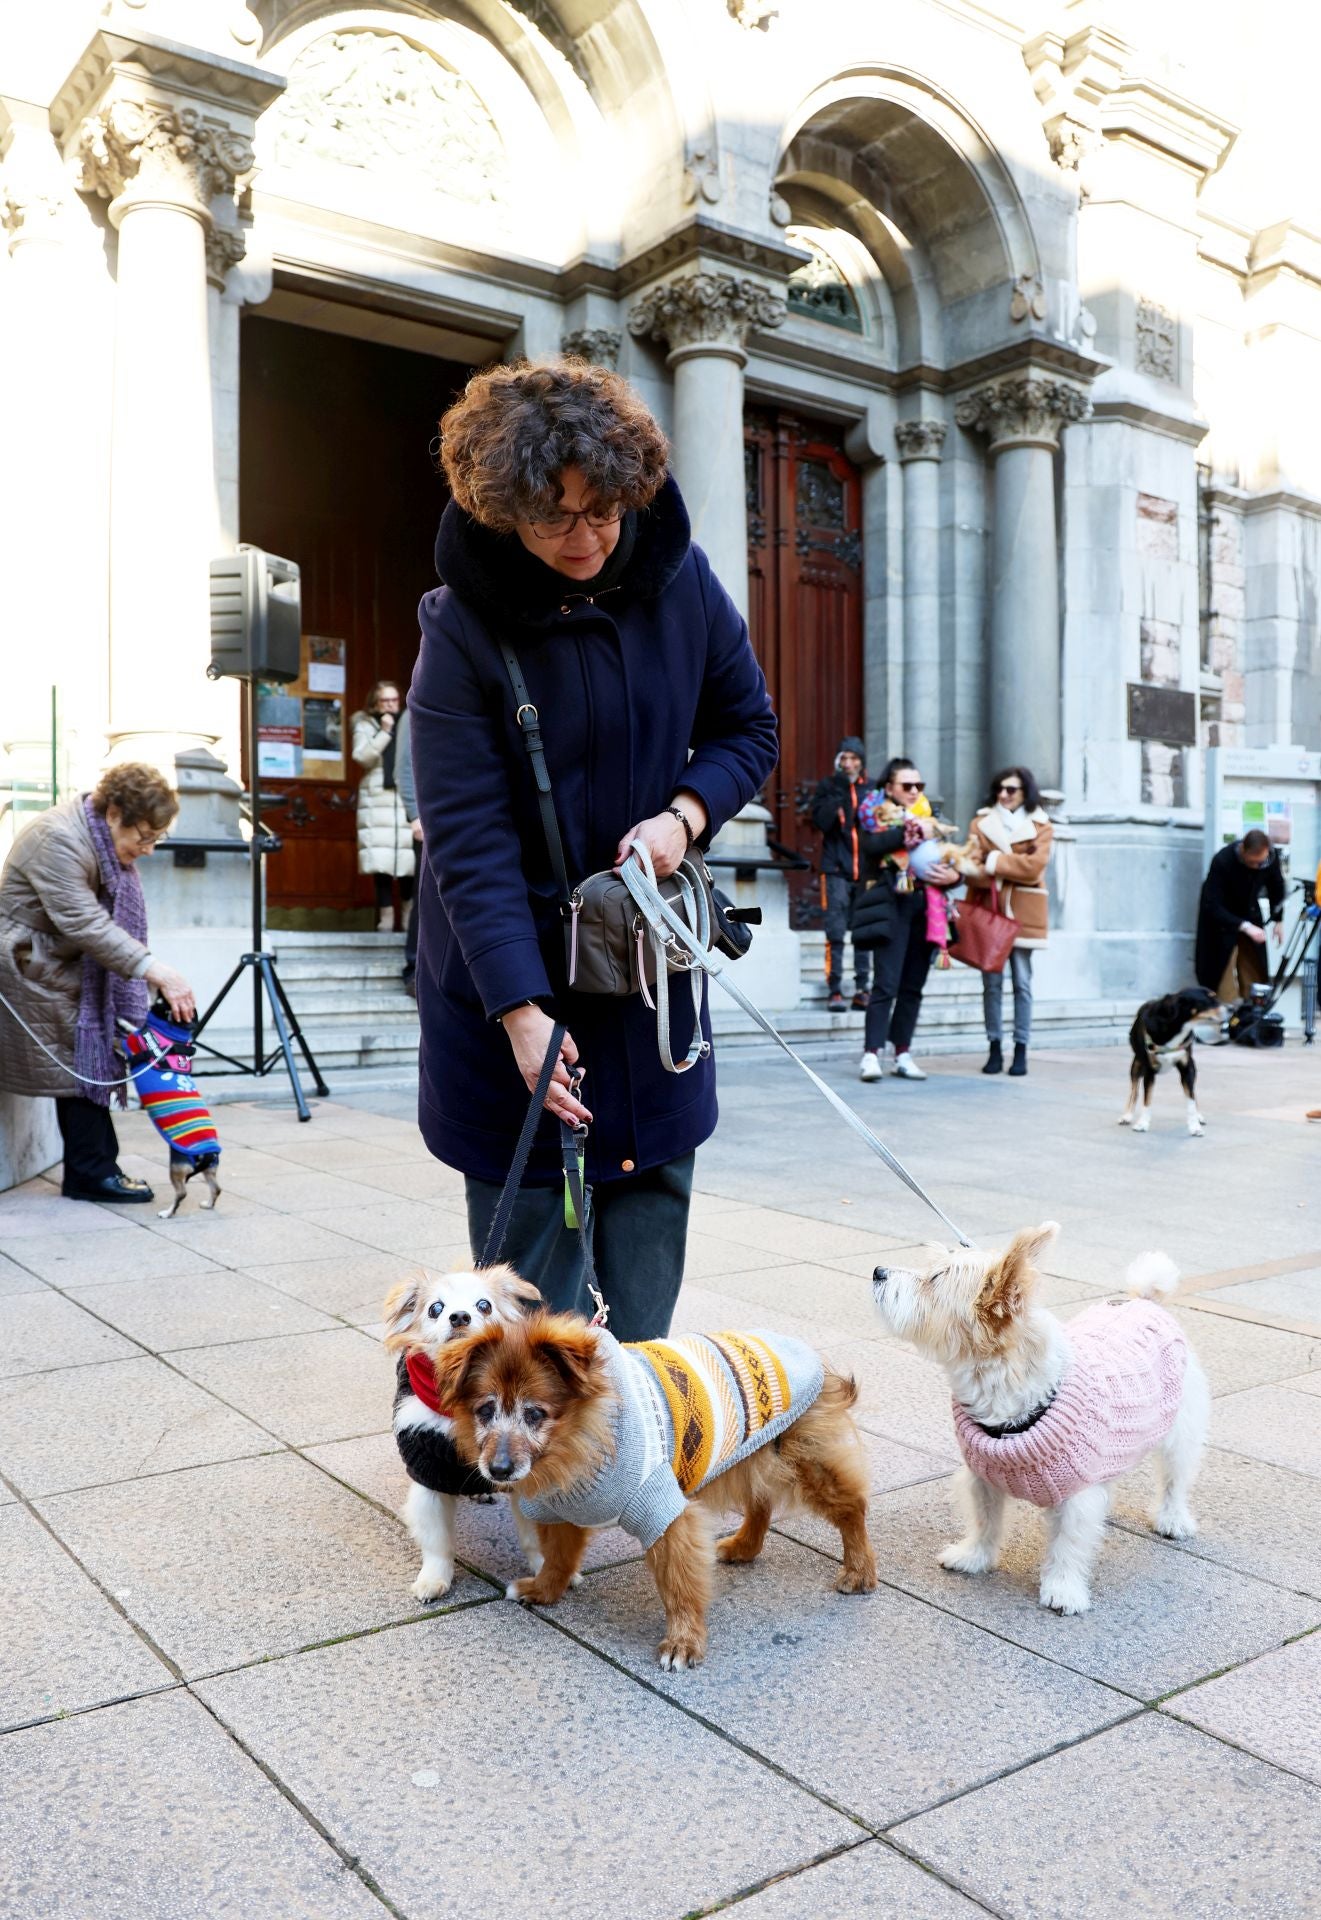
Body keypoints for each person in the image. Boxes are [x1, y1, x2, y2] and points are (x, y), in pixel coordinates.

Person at [409, 360, 778, 1341]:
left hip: (644, 976)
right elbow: (466, 837)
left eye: (604, 509)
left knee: (648, 1241)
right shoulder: (458, 628)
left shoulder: (682, 582)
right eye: (554, 517)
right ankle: (534, 1470)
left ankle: (636, 1441)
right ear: (502, 514)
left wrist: (684, 818)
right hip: (505, 979)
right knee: (532, 1298)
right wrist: (520, 1014)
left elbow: (750, 728)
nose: (587, 537)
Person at [0, 763, 196, 1202]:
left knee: (95, 1042)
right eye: (143, 836)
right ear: (112, 815)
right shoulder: (58, 839)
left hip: (63, 959)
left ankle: (95, 1167)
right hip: (29, 962)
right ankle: (90, 1173)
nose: (147, 850)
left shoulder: (101, 840)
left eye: (155, 839)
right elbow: (86, 923)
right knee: (81, 1049)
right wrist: (155, 969)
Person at [851, 756, 958, 1083]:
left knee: (913, 985)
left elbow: (950, 860)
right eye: (907, 785)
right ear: (889, 788)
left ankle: (902, 1053)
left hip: (927, 906)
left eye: (919, 785)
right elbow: (872, 846)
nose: (914, 791)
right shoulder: (874, 816)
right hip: (891, 905)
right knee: (886, 983)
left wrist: (952, 876)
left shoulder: (930, 816)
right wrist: (911, 831)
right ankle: (871, 1054)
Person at [957, 766, 1055, 1077]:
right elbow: (969, 865)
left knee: (1022, 983)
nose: (1003, 795)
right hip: (990, 910)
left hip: (1025, 911)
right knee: (992, 984)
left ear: (1025, 791)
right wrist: (1005, 865)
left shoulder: (1041, 824)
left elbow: (1034, 868)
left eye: (1011, 789)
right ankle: (995, 1047)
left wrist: (994, 861)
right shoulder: (981, 821)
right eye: (1000, 788)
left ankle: (1021, 1049)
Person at [810, 736, 873, 1011]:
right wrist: (838, 790)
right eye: (844, 758)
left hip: (865, 872)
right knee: (835, 931)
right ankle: (834, 990)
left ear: (862, 761)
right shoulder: (828, 787)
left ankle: (863, 989)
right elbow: (821, 822)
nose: (849, 763)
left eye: (854, 758)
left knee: (864, 931)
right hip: (835, 869)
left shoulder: (872, 790)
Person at [351, 680, 415, 933]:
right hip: (378, 799)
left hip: (403, 799)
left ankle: (410, 920)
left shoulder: (408, 723)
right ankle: (386, 919)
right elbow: (362, 757)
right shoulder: (365, 724)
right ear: (375, 704)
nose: (390, 705)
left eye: (394, 700)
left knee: (408, 860)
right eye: (384, 701)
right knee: (382, 862)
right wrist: (384, 733)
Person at [1195, 828, 1285, 1001]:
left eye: (1261, 863)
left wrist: (1278, 919)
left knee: (1254, 969)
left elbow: (1277, 886)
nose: (1257, 868)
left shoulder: (1270, 859)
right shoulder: (1223, 860)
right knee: (1221, 975)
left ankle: (1253, 1011)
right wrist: (1245, 926)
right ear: (1243, 851)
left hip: (1249, 911)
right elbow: (1212, 904)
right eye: (1253, 863)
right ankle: (1225, 1014)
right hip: (1220, 920)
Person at [394, 704, 423, 996]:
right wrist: (414, 814)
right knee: (424, 896)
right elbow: (404, 766)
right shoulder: (413, 708)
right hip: (428, 823)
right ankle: (413, 970)